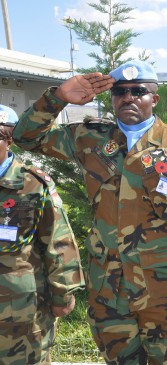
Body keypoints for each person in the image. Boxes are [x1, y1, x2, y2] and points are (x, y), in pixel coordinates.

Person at [12, 60, 167, 365]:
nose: (128, 97)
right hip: (109, 286)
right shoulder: (90, 138)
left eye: (138, 91)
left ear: (155, 98)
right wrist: (58, 96)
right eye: (120, 92)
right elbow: (25, 137)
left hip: (165, 287)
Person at [0, 105, 85, 364]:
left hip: (19, 313)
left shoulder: (33, 184)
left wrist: (63, 294)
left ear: (9, 139)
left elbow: (59, 242)